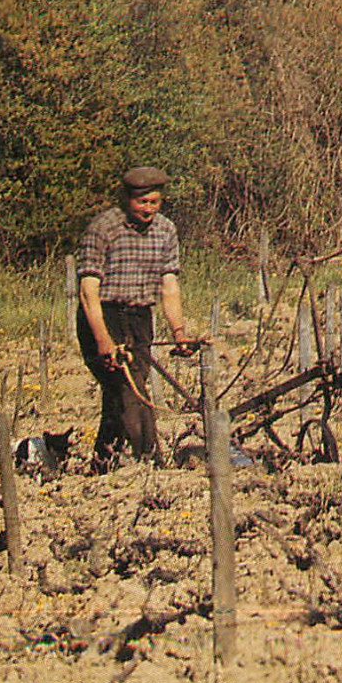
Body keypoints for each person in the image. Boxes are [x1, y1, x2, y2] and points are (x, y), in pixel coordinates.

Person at [76, 166, 196, 471]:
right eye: (142, 202)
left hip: (140, 318)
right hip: (103, 317)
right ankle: (150, 462)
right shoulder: (103, 229)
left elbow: (169, 286)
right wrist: (103, 340)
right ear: (127, 199)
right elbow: (88, 290)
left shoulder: (166, 231)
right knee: (130, 390)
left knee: (123, 392)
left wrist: (179, 332)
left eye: (154, 202)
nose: (148, 209)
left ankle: (102, 464)